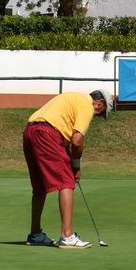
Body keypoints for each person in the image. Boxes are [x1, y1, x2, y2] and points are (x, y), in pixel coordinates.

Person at [22, 89, 113, 248]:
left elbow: (65, 135)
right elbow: (76, 141)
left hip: (30, 132)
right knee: (66, 181)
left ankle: (35, 234)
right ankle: (67, 236)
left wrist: (69, 157)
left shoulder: (73, 97)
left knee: (39, 186)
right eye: (101, 113)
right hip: (48, 133)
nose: (97, 116)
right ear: (100, 103)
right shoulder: (87, 105)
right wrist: (76, 167)